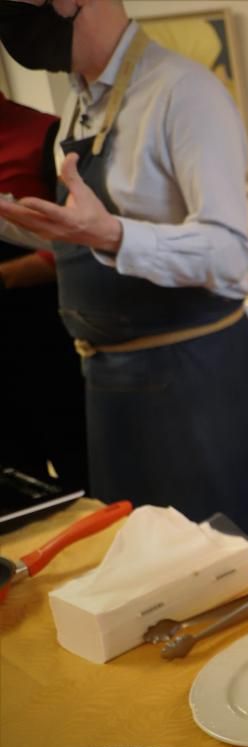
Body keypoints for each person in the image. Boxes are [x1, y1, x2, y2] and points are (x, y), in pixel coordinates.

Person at [0, 0, 248, 565]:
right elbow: (84, 239)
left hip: (191, 382)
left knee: (220, 566)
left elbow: (228, 253)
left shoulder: (184, 93)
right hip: (105, 384)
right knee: (142, 569)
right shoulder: (76, 109)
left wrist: (112, 234)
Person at [0, 91, 89, 493]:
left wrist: (5, 277)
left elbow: (79, 246)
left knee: (82, 469)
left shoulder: (44, 134)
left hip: (43, 338)